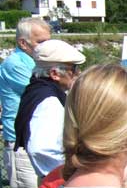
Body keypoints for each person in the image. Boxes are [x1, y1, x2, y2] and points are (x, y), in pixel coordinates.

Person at [0, 17, 50, 188]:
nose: (47, 46)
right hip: (20, 147)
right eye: (42, 42)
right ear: (23, 43)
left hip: (34, 145)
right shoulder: (16, 65)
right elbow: (42, 87)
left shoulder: (32, 64)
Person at [14, 39, 85, 178]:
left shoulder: (37, 90)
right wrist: (71, 174)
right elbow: (41, 149)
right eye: (74, 69)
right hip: (59, 181)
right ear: (55, 74)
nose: (78, 73)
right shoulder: (49, 102)